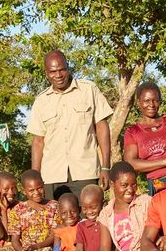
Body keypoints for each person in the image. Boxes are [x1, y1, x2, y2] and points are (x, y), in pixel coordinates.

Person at [27, 50, 113, 200]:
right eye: (53, 72)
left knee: (88, 219)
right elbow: (38, 141)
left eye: (62, 69)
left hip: (85, 172)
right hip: (52, 176)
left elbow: (101, 127)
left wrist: (105, 167)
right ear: (47, 74)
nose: (58, 75)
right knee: (56, 221)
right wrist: (35, 177)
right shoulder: (41, 101)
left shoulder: (88, 90)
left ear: (68, 68)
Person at [123, 81, 166, 195]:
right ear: (139, 102)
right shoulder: (133, 131)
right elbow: (131, 163)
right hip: (158, 184)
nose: (152, 105)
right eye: (146, 101)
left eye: (155, 100)